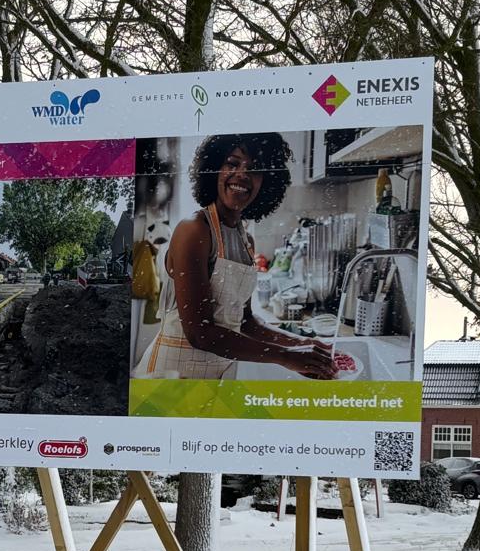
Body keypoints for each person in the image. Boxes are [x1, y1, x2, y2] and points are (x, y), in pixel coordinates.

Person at [139, 133, 336, 380]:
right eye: (232, 163)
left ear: (266, 181)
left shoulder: (245, 240)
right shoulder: (194, 229)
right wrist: (287, 356)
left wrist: (301, 343)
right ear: (214, 170)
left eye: (254, 169)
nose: (242, 174)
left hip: (215, 375)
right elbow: (200, 333)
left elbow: (246, 323)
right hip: (171, 380)